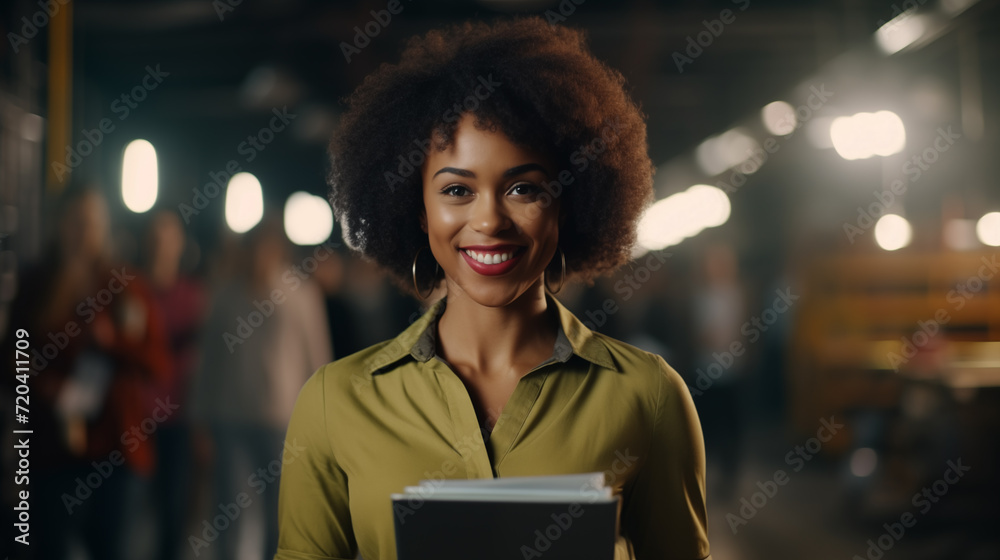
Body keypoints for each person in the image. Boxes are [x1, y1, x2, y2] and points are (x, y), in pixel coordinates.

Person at [275, 17, 710, 560]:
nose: (490, 221)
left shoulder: (650, 397)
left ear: (567, 204)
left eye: (524, 188)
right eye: (457, 189)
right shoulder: (334, 402)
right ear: (417, 208)